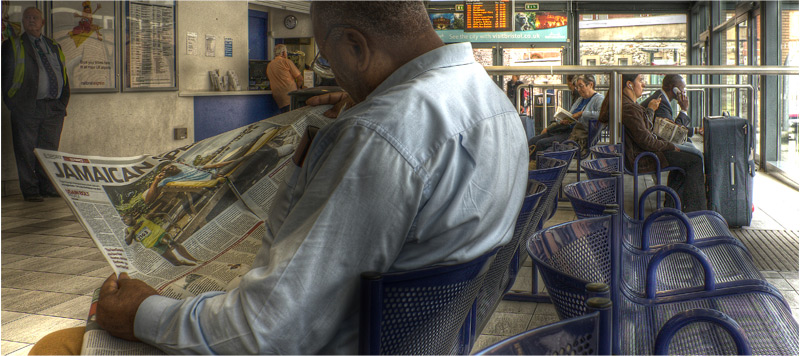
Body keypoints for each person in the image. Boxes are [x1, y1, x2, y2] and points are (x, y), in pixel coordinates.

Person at [30, 2, 528, 354]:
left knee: (61, 346)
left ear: (355, 45)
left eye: (330, 59)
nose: (331, 75)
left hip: (332, 343)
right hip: (420, 337)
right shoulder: (490, 103)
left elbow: (267, 334)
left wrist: (141, 314)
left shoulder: (378, 135)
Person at [1, 7, 70, 202]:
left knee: (49, 151)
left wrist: (62, 101)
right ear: (23, 22)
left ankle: (48, 187)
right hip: (27, 107)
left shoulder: (53, 45)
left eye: (35, 18)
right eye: (27, 18)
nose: (31, 20)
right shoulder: (12, 45)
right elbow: (4, 78)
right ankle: (31, 190)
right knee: (25, 150)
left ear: (43, 23)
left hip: (53, 107)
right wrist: (14, 104)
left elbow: (63, 75)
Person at [617, 73, 706, 212]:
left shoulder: (634, 104)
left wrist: (650, 111)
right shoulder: (645, 105)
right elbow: (672, 135)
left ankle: (673, 206)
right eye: (641, 80)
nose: (644, 84)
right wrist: (683, 110)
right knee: (694, 160)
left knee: (686, 155)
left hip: (643, 150)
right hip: (643, 156)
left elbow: (649, 129)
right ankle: (695, 211)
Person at [529, 74, 604, 158]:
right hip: (566, 128)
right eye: (577, 87)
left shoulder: (599, 99)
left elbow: (601, 115)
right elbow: (571, 115)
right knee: (533, 140)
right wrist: (566, 119)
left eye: (581, 86)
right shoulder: (580, 99)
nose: (579, 90)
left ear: (590, 84)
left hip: (576, 134)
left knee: (541, 143)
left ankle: (538, 167)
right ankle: (530, 165)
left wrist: (582, 113)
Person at [266, 43, 303, 113]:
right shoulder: (286, 62)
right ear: (283, 53)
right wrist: (298, 88)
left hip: (279, 98)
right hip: (290, 96)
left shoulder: (269, 65)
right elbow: (300, 78)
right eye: (286, 52)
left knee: (286, 117)